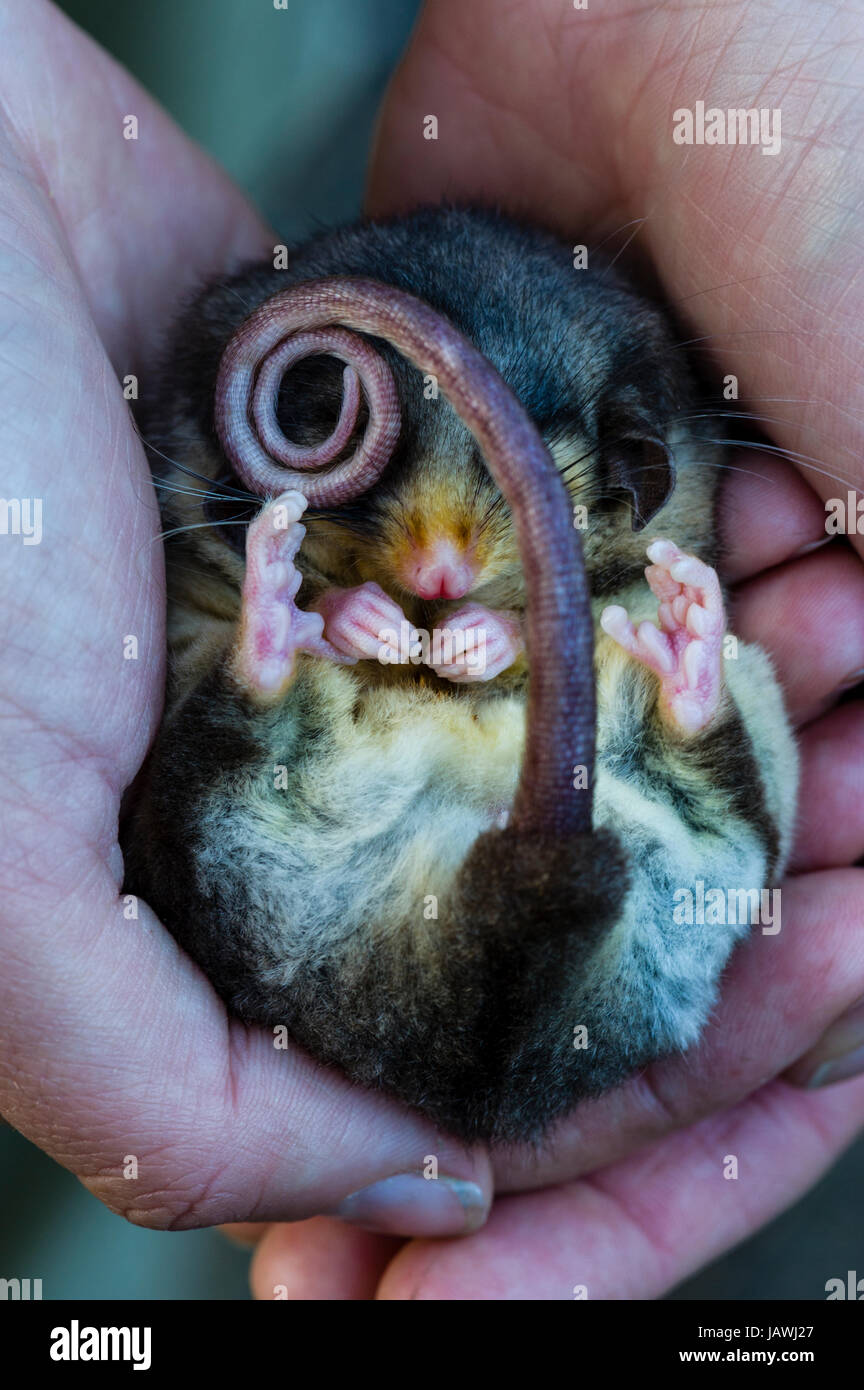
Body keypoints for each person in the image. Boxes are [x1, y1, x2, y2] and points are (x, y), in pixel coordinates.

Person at [0, 0, 861, 1300]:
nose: (436, 569)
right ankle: (591, 804)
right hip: (393, 897)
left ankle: (596, 797)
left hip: (491, 889)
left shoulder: (616, 452)